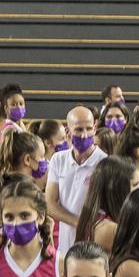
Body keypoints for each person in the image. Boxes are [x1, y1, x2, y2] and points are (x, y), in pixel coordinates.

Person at [45, 106, 105, 253]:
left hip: (94, 247)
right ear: (68, 132)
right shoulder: (58, 160)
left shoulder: (104, 163)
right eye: (78, 129)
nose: (84, 135)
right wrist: (78, 223)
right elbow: (49, 203)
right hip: (65, 246)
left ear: (95, 128)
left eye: (89, 128)